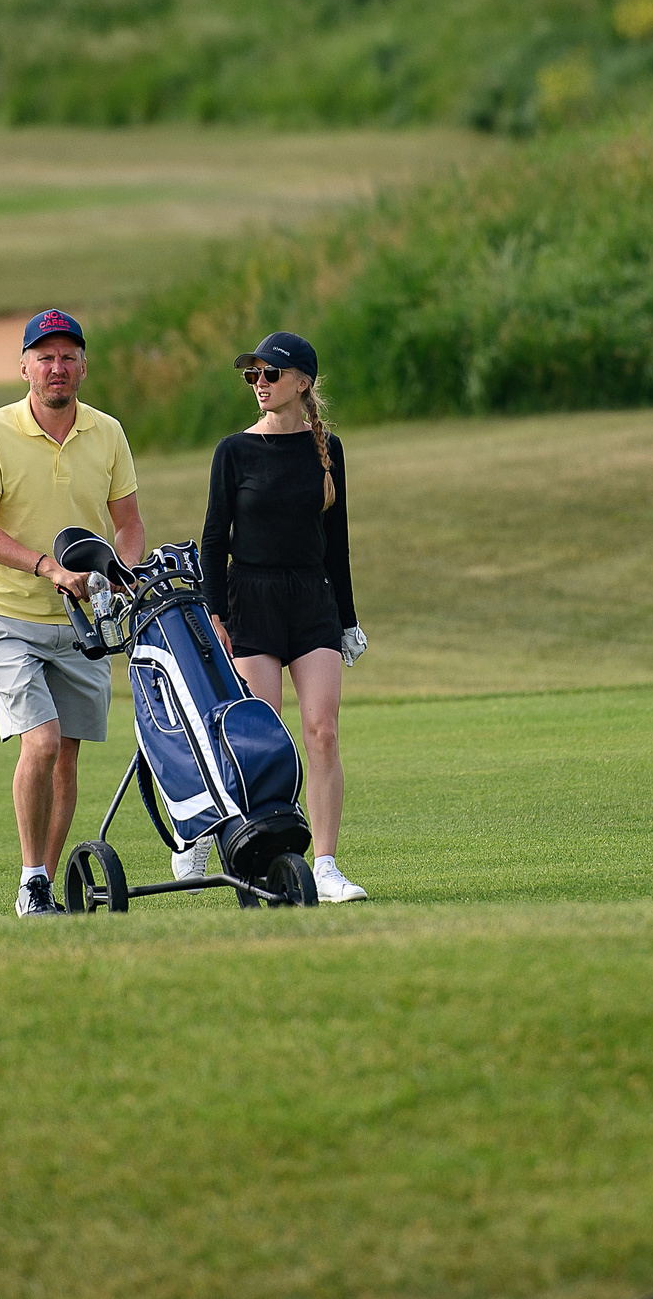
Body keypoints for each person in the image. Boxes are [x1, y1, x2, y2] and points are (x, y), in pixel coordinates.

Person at [0, 309, 145, 917]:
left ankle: (43, 886)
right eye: (45, 357)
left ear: (84, 366)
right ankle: (32, 879)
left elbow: (129, 525)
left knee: (67, 753)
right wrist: (49, 569)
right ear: (24, 368)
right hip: (9, 614)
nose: (56, 367)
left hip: (82, 621)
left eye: (68, 357)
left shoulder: (108, 433)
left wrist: (121, 581)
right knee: (38, 744)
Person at [197, 331, 370, 903]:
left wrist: (346, 620)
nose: (260, 385)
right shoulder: (234, 451)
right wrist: (217, 615)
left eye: (270, 375)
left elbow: (336, 541)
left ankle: (324, 866)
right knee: (263, 739)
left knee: (322, 731)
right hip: (251, 600)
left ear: (302, 383)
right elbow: (213, 542)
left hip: (311, 600)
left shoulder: (329, 450)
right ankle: (256, 855)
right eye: (252, 376)